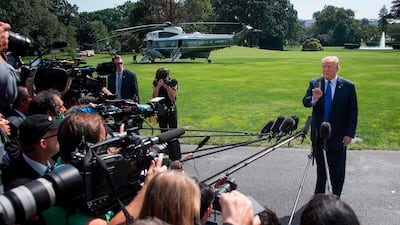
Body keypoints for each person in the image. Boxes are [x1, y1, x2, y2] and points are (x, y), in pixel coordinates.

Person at [302, 56, 358, 197]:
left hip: (338, 133)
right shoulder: (315, 83)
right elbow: (305, 102)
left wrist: (349, 133)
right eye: (324, 66)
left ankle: (336, 195)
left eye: (329, 67)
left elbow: (353, 111)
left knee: (337, 167)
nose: (326, 69)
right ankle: (319, 196)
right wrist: (315, 98)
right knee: (321, 166)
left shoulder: (348, 86)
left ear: (337, 68)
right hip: (319, 132)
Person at [1, 114, 62, 191]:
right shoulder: (22, 188)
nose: (61, 137)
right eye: (57, 135)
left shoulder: (49, 162)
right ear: (43, 143)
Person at [4, 86, 32, 159]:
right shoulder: (14, 122)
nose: (32, 98)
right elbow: (13, 151)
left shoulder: (20, 119)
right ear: (22, 101)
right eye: (30, 96)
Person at [152, 67, 178, 132]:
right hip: (161, 108)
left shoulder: (173, 82)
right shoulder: (156, 82)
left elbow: (172, 98)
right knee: (163, 129)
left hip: (171, 107)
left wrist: (167, 88)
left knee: (173, 130)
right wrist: (158, 86)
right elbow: (154, 98)